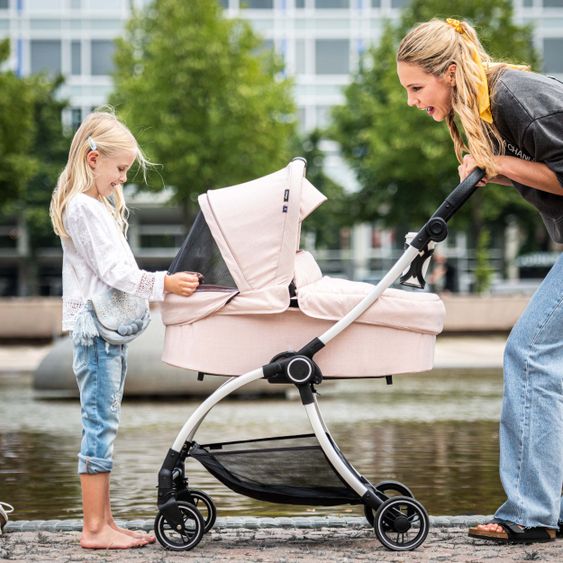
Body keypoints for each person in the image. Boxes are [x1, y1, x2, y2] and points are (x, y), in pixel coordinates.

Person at [397, 18, 563, 544]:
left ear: (448, 73)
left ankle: (531, 514)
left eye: (416, 88)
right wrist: (502, 166)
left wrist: (501, 164)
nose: (411, 102)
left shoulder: (515, 94)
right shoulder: (493, 107)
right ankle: (546, 508)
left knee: (530, 353)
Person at [49, 111, 200, 549]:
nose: (122, 179)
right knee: (99, 424)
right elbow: (116, 271)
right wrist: (164, 284)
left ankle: (105, 521)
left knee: (106, 422)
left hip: (103, 333)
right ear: (93, 159)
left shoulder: (90, 206)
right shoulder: (83, 208)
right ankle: (94, 529)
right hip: (97, 333)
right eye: (120, 169)